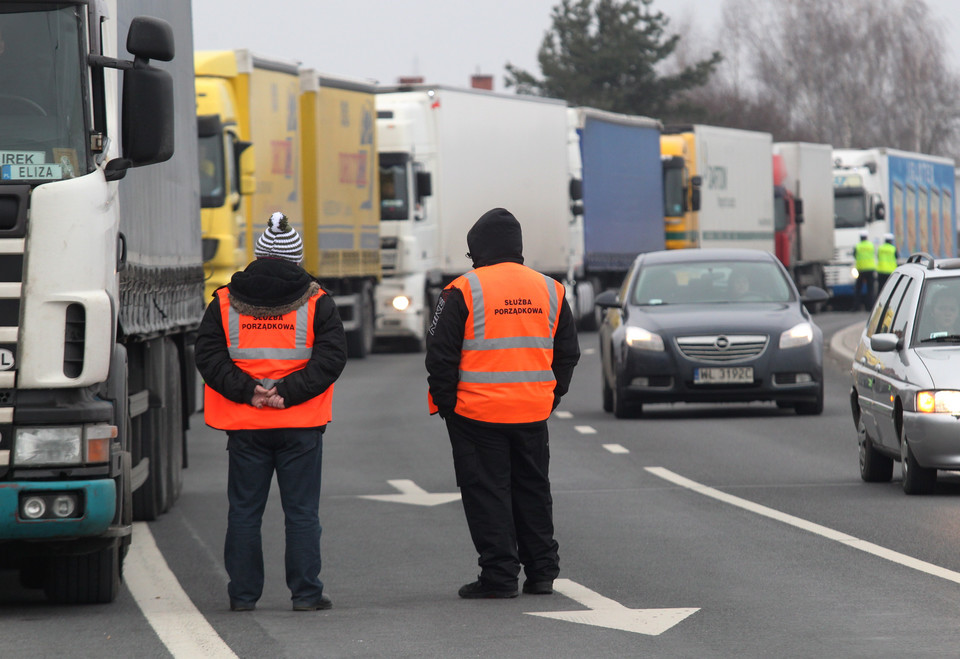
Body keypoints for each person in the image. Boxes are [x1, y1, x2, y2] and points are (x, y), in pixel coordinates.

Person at [195, 211, 347, 612]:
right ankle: (306, 595)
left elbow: (209, 357)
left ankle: (243, 596)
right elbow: (331, 358)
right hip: (300, 424)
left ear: (259, 257)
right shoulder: (317, 301)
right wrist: (287, 393)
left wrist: (251, 393)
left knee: (244, 512)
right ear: (296, 259)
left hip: (245, 425)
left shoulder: (225, 301)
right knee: (301, 513)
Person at [425, 208, 580, 599]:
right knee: (533, 490)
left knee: (487, 494)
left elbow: (439, 354)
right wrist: (549, 395)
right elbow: (568, 353)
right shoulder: (551, 289)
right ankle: (542, 573)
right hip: (531, 411)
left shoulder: (462, 289)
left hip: (476, 413)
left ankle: (499, 576)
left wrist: (447, 405)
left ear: (477, 248)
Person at [853, 230, 877, 311]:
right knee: (870, 290)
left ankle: (857, 307)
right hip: (870, 269)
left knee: (858, 289)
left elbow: (855, 255)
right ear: (866, 237)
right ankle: (870, 307)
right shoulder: (871, 245)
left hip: (861, 270)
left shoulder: (858, 246)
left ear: (860, 238)